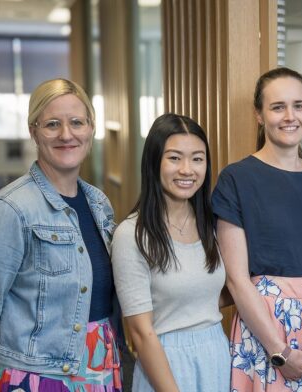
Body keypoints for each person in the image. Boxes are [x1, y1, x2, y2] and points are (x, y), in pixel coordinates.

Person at [0, 78, 122, 391]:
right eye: (52, 124)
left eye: (76, 123)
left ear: (91, 129)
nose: (66, 134)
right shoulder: (8, 210)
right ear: (34, 132)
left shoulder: (99, 204)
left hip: (99, 365)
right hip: (34, 376)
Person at [213, 67, 302, 392]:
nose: (290, 116)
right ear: (259, 115)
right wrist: (280, 351)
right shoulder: (236, 180)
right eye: (278, 107)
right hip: (266, 333)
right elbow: (237, 279)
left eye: (298, 105)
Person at [111, 113, 230, 391]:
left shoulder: (213, 225)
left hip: (216, 355)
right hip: (165, 363)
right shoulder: (132, 235)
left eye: (197, 159)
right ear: (154, 162)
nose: (187, 170)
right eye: (175, 158)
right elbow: (141, 333)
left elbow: (210, 292)